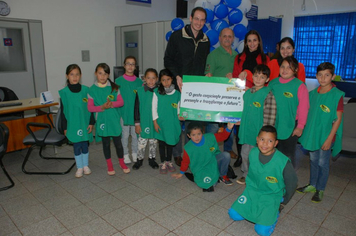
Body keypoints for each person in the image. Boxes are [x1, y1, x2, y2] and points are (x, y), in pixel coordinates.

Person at [229, 125, 297, 236]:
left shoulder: (283, 162)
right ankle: (260, 211)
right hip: (253, 191)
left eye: (270, 141)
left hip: (271, 195)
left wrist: (283, 201)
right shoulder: (253, 153)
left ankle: (274, 213)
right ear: (257, 140)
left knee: (262, 231)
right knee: (233, 214)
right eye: (262, 139)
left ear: (275, 143)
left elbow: (292, 183)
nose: (265, 144)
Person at [164, 6, 210, 166]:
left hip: (195, 91)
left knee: (193, 124)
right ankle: (177, 153)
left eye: (202, 19)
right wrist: (176, 76)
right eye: (196, 18)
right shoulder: (177, 36)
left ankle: (191, 154)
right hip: (178, 87)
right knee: (177, 122)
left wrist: (206, 76)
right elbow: (167, 60)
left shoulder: (206, 40)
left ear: (205, 22)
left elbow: (203, 64)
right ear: (190, 18)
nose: (199, 22)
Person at [297, 62, 344, 203]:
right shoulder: (312, 94)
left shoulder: (337, 95)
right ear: (316, 76)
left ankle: (320, 189)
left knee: (323, 163)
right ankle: (312, 185)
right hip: (313, 135)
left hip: (326, 136)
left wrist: (330, 138)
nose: (323, 78)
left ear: (333, 76)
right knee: (313, 160)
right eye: (320, 75)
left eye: (327, 75)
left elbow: (338, 119)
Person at [236, 64, 276, 185]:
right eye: (256, 76)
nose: (258, 79)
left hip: (258, 133)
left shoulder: (268, 94)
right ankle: (246, 173)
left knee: (256, 156)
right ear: (252, 76)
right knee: (244, 154)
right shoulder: (247, 93)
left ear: (267, 79)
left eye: (262, 77)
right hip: (246, 131)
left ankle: (256, 176)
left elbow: (270, 117)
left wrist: (265, 136)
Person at [88, 63, 130, 175]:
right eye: (100, 73)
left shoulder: (114, 88)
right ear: (96, 74)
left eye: (105, 74)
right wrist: (101, 107)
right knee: (106, 144)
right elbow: (90, 107)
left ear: (108, 75)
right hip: (102, 121)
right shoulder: (91, 90)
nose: (102, 76)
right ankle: (110, 165)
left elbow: (121, 102)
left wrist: (111, 104)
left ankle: (122, 163)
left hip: (114, 121)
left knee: (118, 144)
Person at [268, 56, 309, 167]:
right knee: (272, 153)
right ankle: (273, 178)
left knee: (288, 155)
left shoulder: (300, 86)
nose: (285, 70)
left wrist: (300, 126)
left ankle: (288, 180)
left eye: (289, 68)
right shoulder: (273, 84)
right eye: (283, 66)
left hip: (291, 126)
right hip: (274, 124)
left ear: (295, 70)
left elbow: (304, 108)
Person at [205, 28, 239, 160]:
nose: (227, 39)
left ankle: (229, 149)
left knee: (229, 125)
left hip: (231, 98)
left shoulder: (237, 56)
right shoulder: (213, 55)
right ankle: (209, 150)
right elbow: (208, 75)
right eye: (224, 36)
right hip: (216, 98)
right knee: (213, 126)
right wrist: (208, 76)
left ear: (233, 39)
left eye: (230, 36)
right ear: (219, 38)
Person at [172, 121, 234, 192]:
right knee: (212, 184)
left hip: (212, 160)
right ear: (188, 136)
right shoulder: (188, 148)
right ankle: (212, 176)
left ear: (202, 132)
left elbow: (223, 136)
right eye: (193, 135)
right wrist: (181, 173)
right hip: (200, 167)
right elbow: (185, 161)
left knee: (226, 155)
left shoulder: (210, 137)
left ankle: (223, 175)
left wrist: (229, 128)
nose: (197, 137)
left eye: (199, 134)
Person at [59, 64, 94, 178]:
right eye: (72, 74)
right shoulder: (64, 93)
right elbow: (63, 112)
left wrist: (91, 122)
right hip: (72, 124)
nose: (74, 77)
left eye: (77, 74)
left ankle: (86, 166)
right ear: (67, 76)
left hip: (84, 123)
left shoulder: (85, 90)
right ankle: (79, 167)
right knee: (76, 145)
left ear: (81, 75)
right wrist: (65, 127)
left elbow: (91, 108)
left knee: (84, 144)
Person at [152, 69, 182, 174]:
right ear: (160, 81)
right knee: (162, 143)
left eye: (168, 79)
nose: (166, 82)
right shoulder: (157, 92)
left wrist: (180, 116)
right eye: (163, 80)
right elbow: (153, 107)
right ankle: (162, 162)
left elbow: (178, 109)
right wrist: (155, 122)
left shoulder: (177, 94)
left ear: (172, 79)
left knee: (170, 143)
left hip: (172, 123)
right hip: (161, 123)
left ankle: (169, 161)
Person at [115, 56, 143, 164]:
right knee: (125, 135)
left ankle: (135, 153)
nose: (130, 66)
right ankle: (125, 154)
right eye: (128, 63)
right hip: (123, 113)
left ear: (135, 67)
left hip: (135, 114)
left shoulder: (139, 82)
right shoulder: (118, 81)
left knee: (136, 135)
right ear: (124, 65)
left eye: (132, 64)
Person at [133, 68, 159, 170]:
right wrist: (137, 124)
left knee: (153, 143)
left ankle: (152, 159)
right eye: (148, 78)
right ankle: (139, 160)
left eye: (153, 78)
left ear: (157, 79)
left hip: (155, 122)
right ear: (144, 79)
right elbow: (136, 108)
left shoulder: (159, 91)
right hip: (143, 122)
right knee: (142, 143)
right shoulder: (139, 91)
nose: (151, 81)